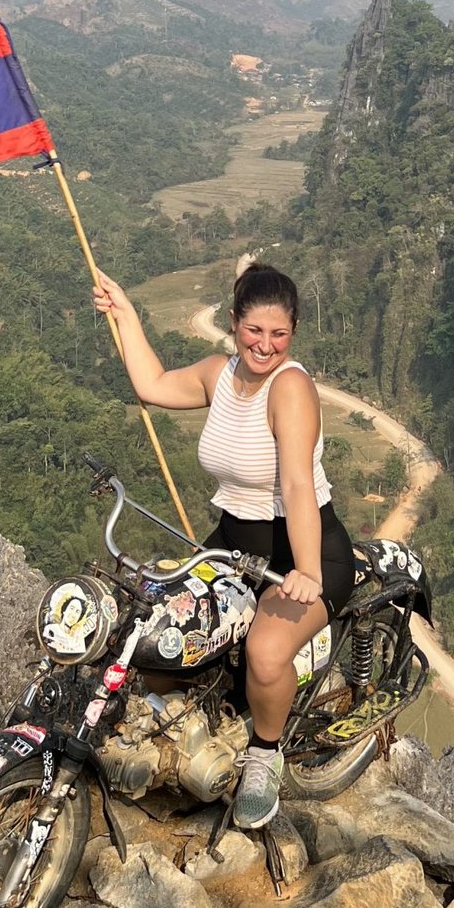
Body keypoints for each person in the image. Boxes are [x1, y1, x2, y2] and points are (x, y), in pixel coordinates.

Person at [89, 260, 355, 828]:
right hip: (233, 542)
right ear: (233, 323)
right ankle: (183, 737)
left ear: (294, 331)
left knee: (264, 652)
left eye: (279, 334)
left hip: (302, 548)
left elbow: (297, 486)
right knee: (160, 642)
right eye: (254, 331)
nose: (265, 345)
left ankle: (264, 752)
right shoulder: (218, 374)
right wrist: (127, 314)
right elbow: (152, 385)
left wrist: (306, 569)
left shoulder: (291, 388)